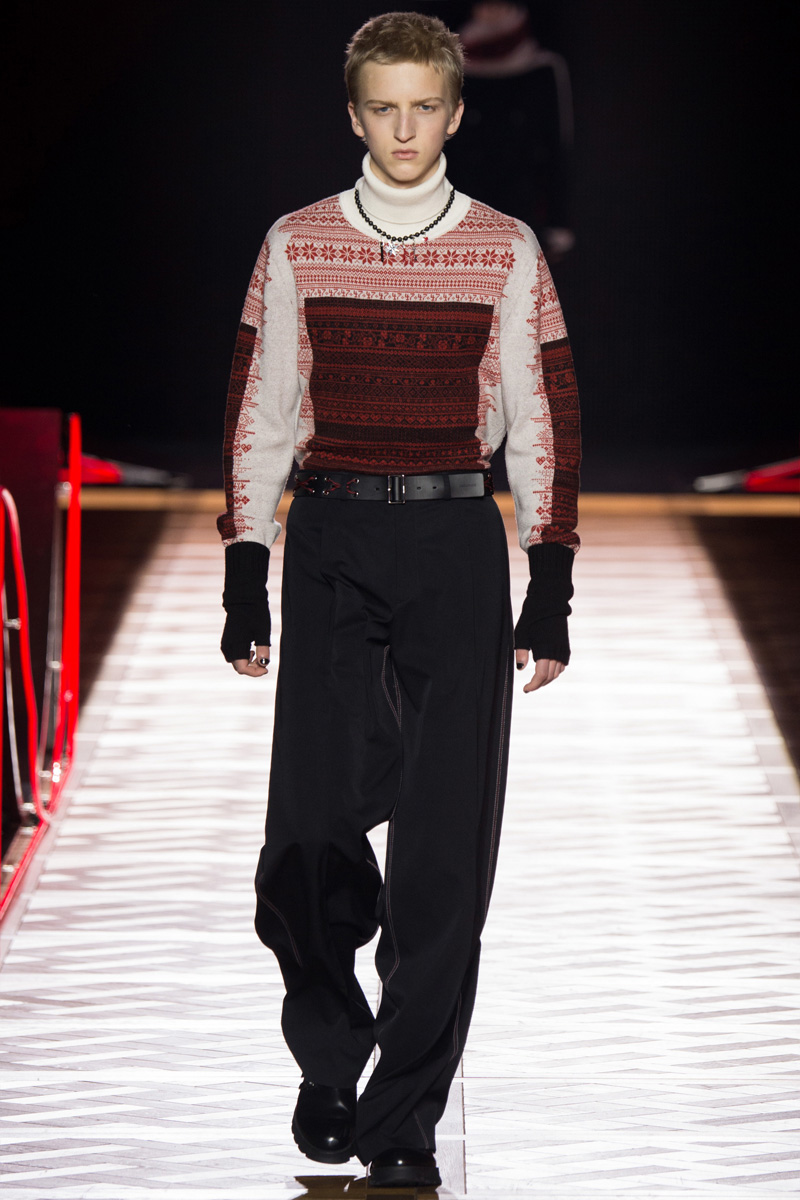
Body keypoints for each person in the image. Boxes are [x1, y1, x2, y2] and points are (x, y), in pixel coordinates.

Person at [217, 11, 580, 1190]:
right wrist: (244, 571)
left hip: (451, 541)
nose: (405, 129)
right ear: (354, 115)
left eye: (424, 106)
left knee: (442, 857)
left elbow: (540, 417)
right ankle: (329, 1055)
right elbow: (262, 408)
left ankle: (402, 1120)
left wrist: (549, 581)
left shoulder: (504, 250)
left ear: (455, 113)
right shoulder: (296, 243)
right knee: (307, 835)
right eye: (384, 108)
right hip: (329, 535)